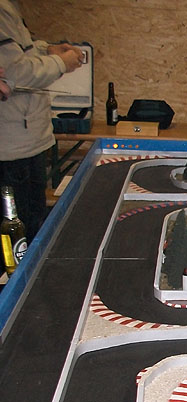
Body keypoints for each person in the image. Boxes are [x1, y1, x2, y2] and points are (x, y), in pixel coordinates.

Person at [0, 0, 83, 239]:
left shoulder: (9, 7)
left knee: (32, 224)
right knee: (20, 232)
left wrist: (46, 50)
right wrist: (61, 62)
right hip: (14, 151)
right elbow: (14, 74)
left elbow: (18, 56)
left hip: (27, 144)